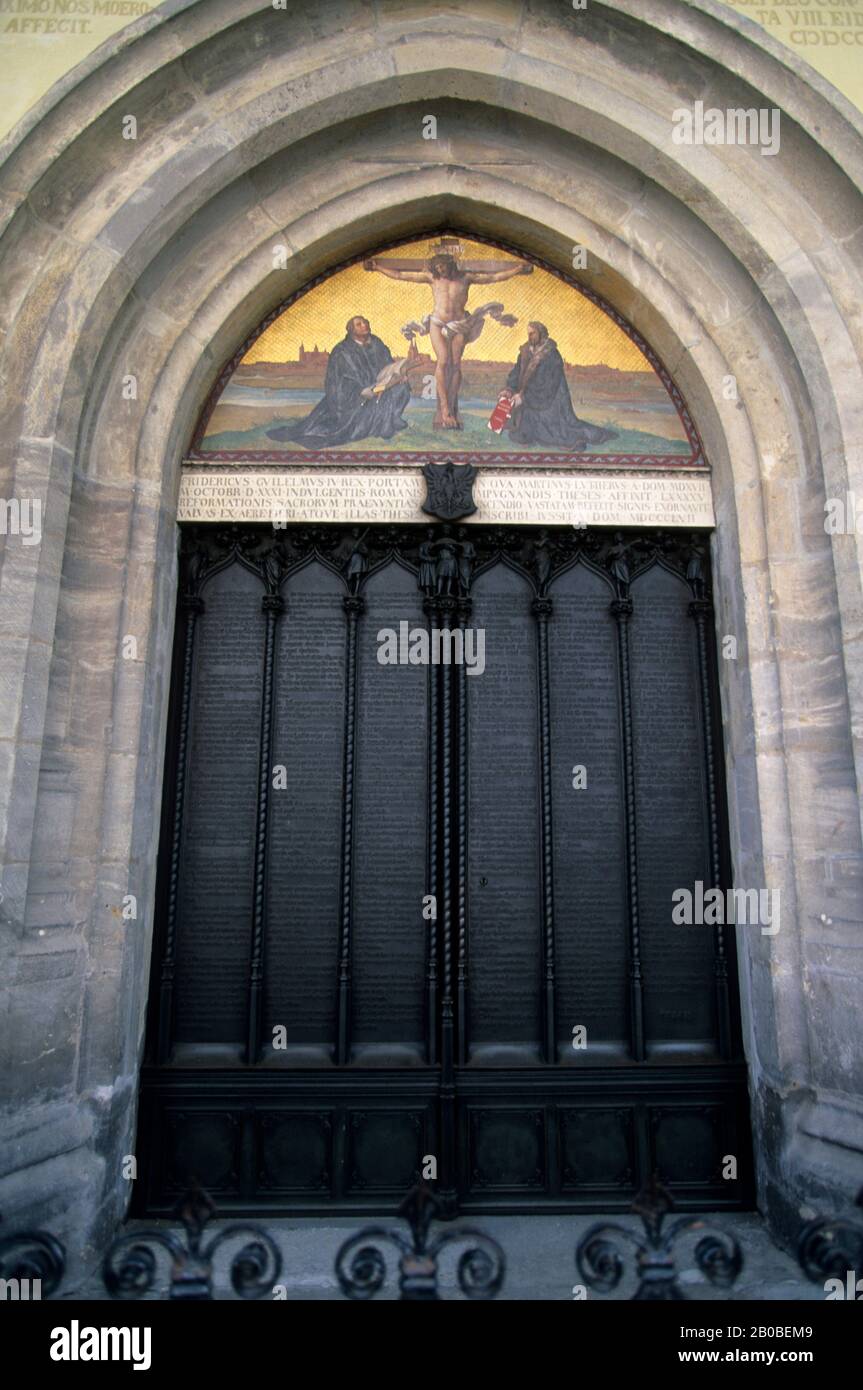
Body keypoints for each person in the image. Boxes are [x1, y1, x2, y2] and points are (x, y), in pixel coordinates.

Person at [364, 252, 531, 428]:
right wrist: (377, 267)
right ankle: (444, 410)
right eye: (437, 268)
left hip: (459, 324)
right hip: (437, 323)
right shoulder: (433, 279)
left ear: (450, 265)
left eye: (443, 267)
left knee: (455, 364)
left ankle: (451, 405)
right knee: (443, 361)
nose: (440, 271)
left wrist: (518, 269)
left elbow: (494, 276)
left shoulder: (466, 278)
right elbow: (400, 275)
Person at [266, 316, 410, 448]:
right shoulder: (342, 351)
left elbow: (389, 364)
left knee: (402, 388)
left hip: (380, 387)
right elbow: (337, 382)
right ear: (351, 330)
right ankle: (375, 426)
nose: (364, 325)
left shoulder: (376, 343)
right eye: (359, 324)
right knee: (364, 406)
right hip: (353, 398)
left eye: (365, 322)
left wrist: (399, 374)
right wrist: (361, 391)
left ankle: (390, 420)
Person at [503, 322, 617, 451]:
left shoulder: (551, 354)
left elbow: (547, 384)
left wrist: (524, 398)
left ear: (541, 333)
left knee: (557, 436)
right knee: (519, 434)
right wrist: (509, 389)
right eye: (528, 333)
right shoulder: (525, 351)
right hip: (529, 398)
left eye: (532, 333)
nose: (529, 336)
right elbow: (516, 372)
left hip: (551, 402)